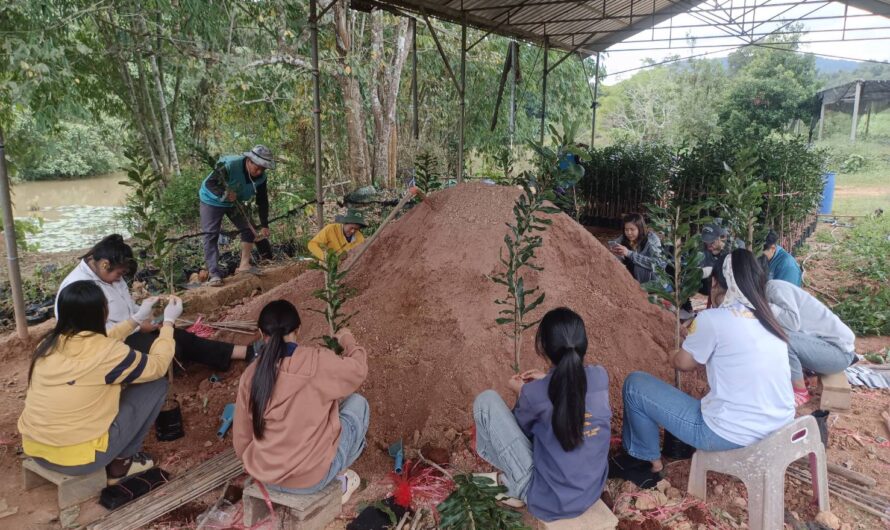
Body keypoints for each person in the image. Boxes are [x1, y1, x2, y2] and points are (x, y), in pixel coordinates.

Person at [616, 249, 794, 488]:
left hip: (728, 434)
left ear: (716, 282)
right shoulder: (770, 319)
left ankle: (646, 462)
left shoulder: (713, 319)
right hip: (778, 431)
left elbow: (683, 363)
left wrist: (672, 353)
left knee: (635, 385)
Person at [19, 280, 182, 482]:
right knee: (154, 385)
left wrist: (136, 319)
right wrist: (168, 323)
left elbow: (101, 342)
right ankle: (122, 464)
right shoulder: (108, 354)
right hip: (79, 461)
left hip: (36, 450)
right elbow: (158, 365)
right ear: (102, 313)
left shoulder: (47, 344)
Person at [473, 307, 611, 522]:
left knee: (486, 402)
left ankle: (515, 486)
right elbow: (570, 393)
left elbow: (519, 434)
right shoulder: (600, 376)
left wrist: (522, 393)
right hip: (591, 491)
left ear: (543, 348)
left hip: (548, 502)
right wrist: (547, 380)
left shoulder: (534, 394)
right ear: (584, 344)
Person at [233, 300, 367, 503]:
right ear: (298, 329)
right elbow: (358, 370)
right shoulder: (318, 361)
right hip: (311, 481)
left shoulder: (252, 374)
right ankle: (341, 479)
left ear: (261, 333)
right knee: (357, 404)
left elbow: (242, 439)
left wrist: (258, 465)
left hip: (266, 477)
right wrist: (347, 340)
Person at [56, 235, 255, 372]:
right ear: (104, 264)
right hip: (108, 347)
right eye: (119, 274)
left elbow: (128, 307)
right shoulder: (77, 289)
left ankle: (244, 352)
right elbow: (95, 337)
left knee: (179, 336)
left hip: (131, 330)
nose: (119, 279)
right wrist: (139, 324)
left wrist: (147, 314)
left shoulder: (109, 275)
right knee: (171, 350)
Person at [767, 279, 857, 406]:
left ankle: (800, 392)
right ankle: (804, 376)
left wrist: (763, 306)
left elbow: (792, 323)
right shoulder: (772, 289)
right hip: (827, 349)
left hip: (839, 353)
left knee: (783, 338)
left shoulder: (775, 287)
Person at [199, 145, 275, 286]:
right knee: (211, 234)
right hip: (211, 200)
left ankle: (244, 265)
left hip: (235, 202)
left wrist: (265, 224)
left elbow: (262, 201)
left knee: (249, 229)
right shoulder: (229, 165)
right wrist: (224, 193)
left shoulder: (261, 178)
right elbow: (210, 183)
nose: (259, 172)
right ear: (249, 160)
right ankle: (214, 274)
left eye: (263, 169)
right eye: (257, 167)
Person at [608, 213, 666, 285]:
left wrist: (629, 253)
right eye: (626, 229)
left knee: (638, 265)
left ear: (640, 229)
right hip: (630, 282)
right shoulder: (623, 238)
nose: (629, 233)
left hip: (651, 284)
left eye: (632, 229)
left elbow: (658, 264)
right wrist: (615, 252)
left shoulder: (652, 239)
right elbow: (615, 247)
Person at [699, 219, 745, 296]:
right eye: (706, 241)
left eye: (712, 241)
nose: (709, 245)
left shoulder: (737, 247)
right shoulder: (701, 250)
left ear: (723, 238)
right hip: (708, 290)